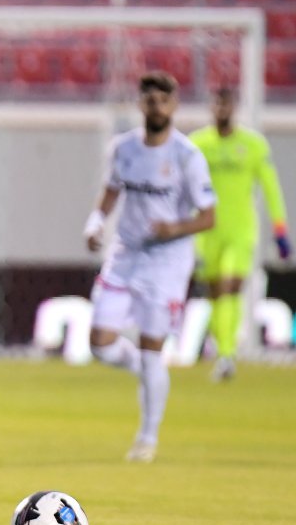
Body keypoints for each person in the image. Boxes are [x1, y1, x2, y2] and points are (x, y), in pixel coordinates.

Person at [83, 71, 216, 464]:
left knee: (153, 347)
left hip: (167, 263)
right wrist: (95, 222)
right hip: (125, 254)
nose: (156, 107)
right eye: (150, 100)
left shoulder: (187, 157)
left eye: (163, 100)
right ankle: (143, 368)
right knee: (100, 343)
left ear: (174, 105)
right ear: (141, 103)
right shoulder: (123, 148)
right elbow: (110, 192)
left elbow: (209, 216)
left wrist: (175, 228)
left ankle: (147, 437)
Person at [189, 87, 291, 382]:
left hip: (240, 229)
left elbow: (271, 187)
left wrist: (280, 229)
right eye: (217, 104)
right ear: (211, 108)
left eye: (226, 104)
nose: (222, 110)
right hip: (206, 232)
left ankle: (227, 355)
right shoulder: (197, 144)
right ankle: (223, 347)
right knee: (214, 294)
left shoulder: (253, 145)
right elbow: (182, 189)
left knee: (231, 286)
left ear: (234, 107)